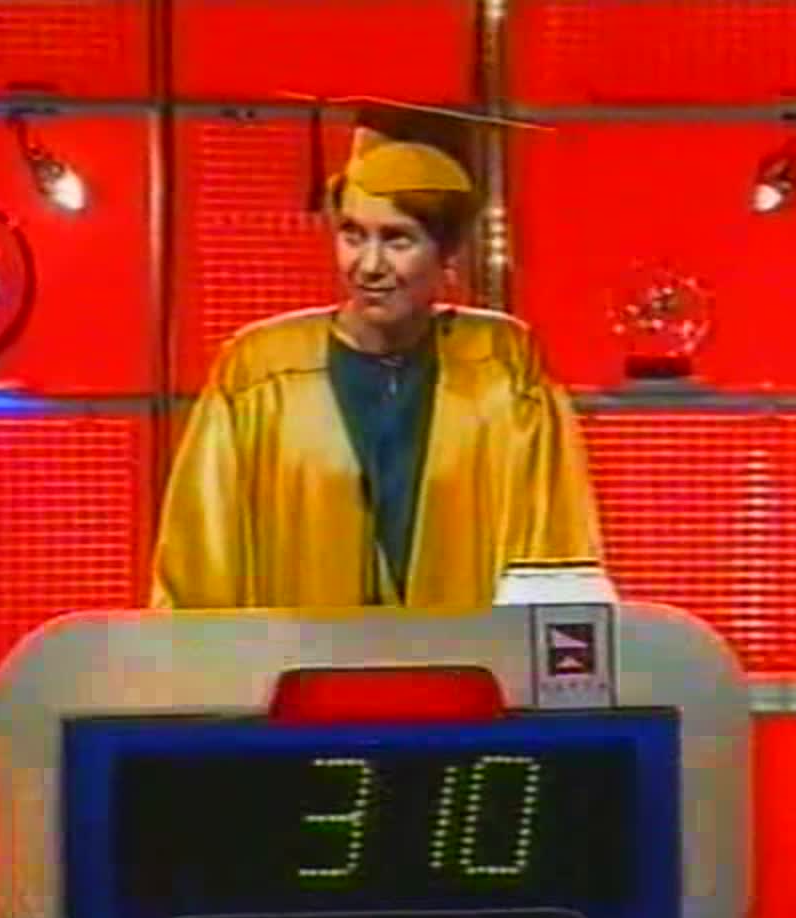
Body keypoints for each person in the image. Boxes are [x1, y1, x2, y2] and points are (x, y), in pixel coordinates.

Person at [151, 101, 601, 608]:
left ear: (446, 252)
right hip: (304, 657)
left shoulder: (503, 368)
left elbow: (553, 558)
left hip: (460, 657)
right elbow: (199, 571)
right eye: (352, 235)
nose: (369, 265)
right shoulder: (260, 372)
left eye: (397, 240)